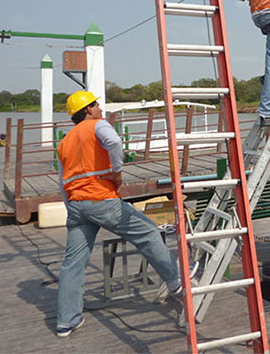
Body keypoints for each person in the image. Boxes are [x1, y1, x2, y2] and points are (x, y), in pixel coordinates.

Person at [55, 91, 181, 337]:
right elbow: (113, 142)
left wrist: (72, 210)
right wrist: (117, 172)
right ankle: (176, 281)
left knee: (73, 264)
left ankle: (66, 321)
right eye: (96, 105)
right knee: (148, 232)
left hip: (77, 206)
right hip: (101, 199)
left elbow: (62, 183)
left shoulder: (65, 141)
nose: (100, 109)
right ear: (88, 109)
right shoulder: (97, 125)